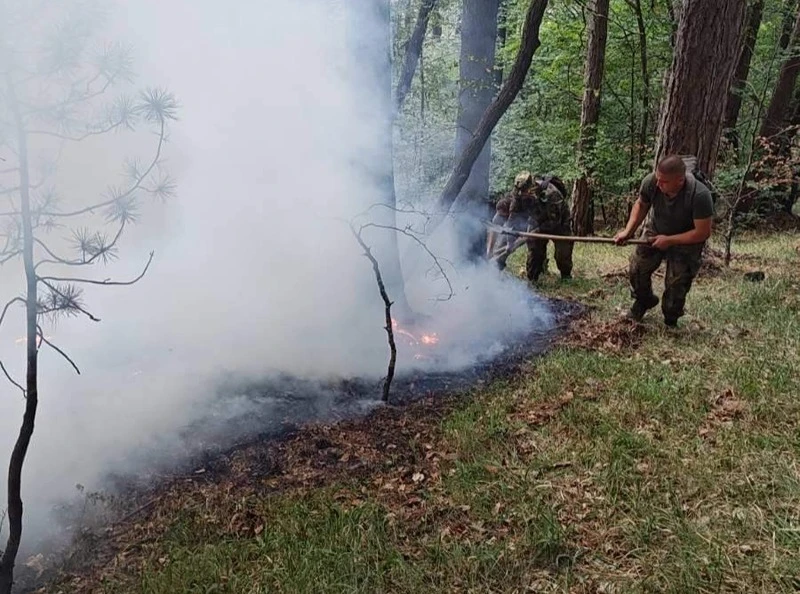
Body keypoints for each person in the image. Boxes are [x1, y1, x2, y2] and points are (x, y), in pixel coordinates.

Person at [614, 154, 714, 327]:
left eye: (664, 182)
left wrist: (669, 240)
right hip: (657, 229)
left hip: (687, 238)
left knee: (676, 283)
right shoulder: (652, 182)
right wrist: (628, 231)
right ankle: (643, 302)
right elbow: (641, 205)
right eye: (658, 179)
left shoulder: (700, 195)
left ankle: (670, 319)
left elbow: (702, 232)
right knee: (637, 268)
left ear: (680, 181)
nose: (659, 184)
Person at [487, 171, 573, 282]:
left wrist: (532, 233)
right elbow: (512, 218)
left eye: (524, 192)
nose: (521, 195)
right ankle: (534, 279)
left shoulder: (551, 194)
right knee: (534, 255)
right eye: (520, 192)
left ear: (531, 188)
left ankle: (566, 277)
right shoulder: (517, 195)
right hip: (536, 221)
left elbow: (553, 222)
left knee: (562, 254)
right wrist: (509, 242)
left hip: (559, 222)